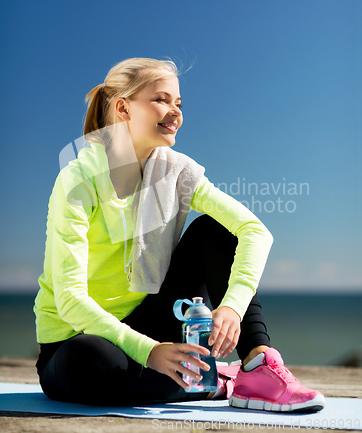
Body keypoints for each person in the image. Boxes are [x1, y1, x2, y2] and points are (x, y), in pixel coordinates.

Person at [34, 58, 325, 412]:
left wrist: (232, 307)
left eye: (178, 103)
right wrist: (151, 351)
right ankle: (211, 380)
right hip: (78, 339)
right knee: (86, 358)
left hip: (150, 317)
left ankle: (256, 367)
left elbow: (254, 231)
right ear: (124, 108)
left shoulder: (178, 172)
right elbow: (70, 300)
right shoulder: (78, 181)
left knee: (215, 232)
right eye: (161, 99)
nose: (175, 112)